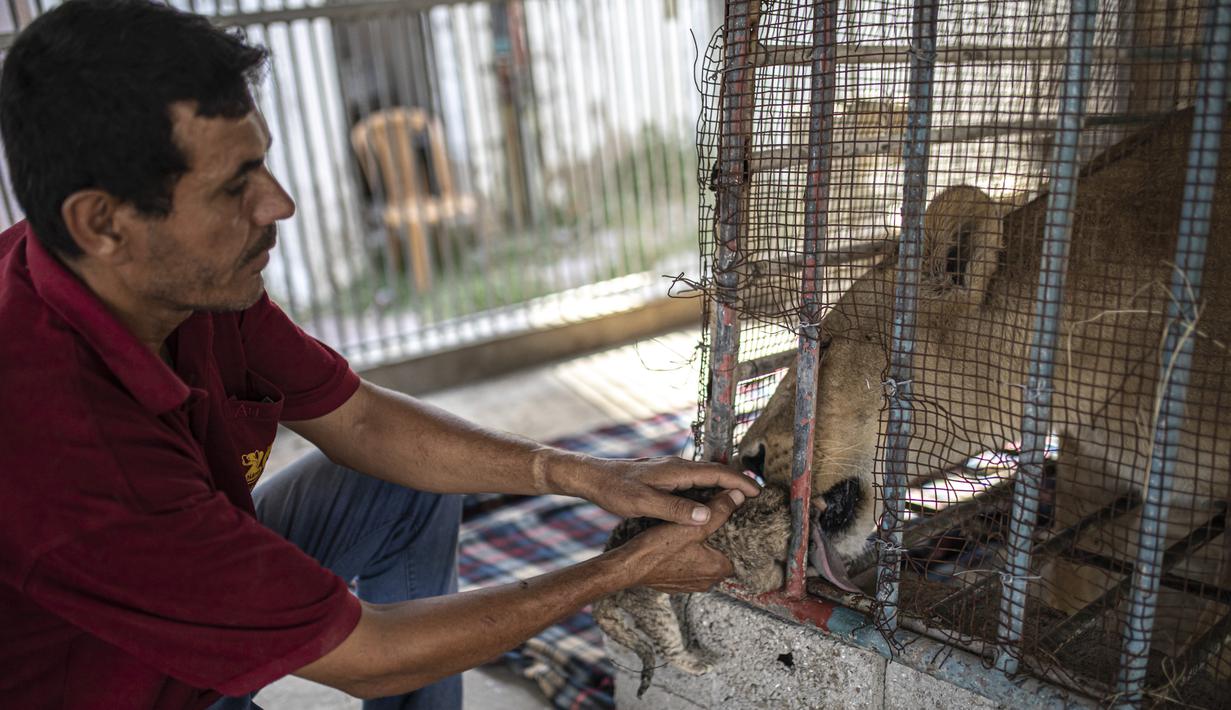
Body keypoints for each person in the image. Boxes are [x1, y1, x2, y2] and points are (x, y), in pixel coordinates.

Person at [0, 1, 762, 709]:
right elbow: (367, 653)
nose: (278, 203)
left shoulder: (175, 282)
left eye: (262, 162)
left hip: (186, 581)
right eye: (234, 187)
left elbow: (360, 421)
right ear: (102, 223)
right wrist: (622, 570)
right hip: (114, 687)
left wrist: (586, 474)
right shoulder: (60, 440)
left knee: (402, 479)